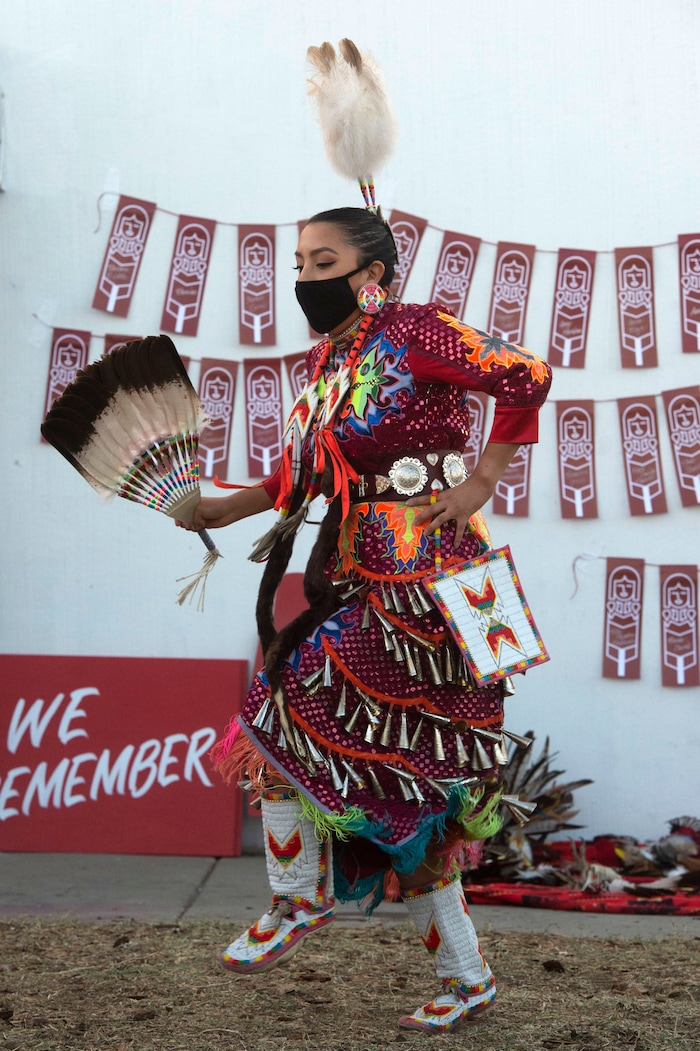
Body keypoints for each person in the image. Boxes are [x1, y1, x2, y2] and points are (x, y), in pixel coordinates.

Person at [178, 206, 552, 1033]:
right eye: (300, 262)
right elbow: (303, 472)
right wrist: (219, 508)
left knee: (278, 710)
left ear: (372, 270)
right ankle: (465, 976)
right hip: (360, 574)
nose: (307, 277)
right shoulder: (326, 360)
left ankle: (297, 896)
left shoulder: (420, 330)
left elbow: (526, 375)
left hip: (432, 584)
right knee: (401, 798)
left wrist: (482, 480)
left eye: (325, 260)